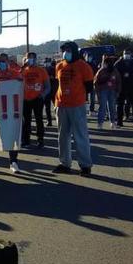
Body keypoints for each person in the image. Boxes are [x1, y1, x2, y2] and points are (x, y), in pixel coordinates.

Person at [53, 42, 94, 176]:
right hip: (61, 105)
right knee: (63, 136)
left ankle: (85, 165)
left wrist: (78, 97)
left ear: (75, 51)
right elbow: (56, 84)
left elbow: (89, 87)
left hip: (77, 105)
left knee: (80, 136)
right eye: (64, 50)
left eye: (68, 50)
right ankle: (64, 163)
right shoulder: (59, 65)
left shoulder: (83, 66)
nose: (66, 53)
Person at [21, 52, 50, 147]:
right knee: (26, 121)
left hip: (37, 99)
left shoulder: (41, 70)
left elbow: (47, 87)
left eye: (32, 58)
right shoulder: (23, 71)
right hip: (25, 99)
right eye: (28, 58)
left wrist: (42, 95)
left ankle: (40, 140)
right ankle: (26, 140)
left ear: (35, 59)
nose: (30, 59)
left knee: (39, 119)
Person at [114, 49, 133, 127]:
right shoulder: (118, 63)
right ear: (123, 54)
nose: (127, 55)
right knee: (120, 104)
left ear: (131, 54)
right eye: (125, 53)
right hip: (121, 87)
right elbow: (114, 75)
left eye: (128, 53)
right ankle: (119, 121)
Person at [94, 56, 121, 129]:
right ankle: (100, 123)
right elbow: (96, 82)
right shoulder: (101, 71)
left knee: (112, 107)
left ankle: (112, 122)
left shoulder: (115, 71)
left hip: (112, 91)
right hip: (103, 91)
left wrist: (118, 91)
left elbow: (118, 81)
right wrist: (98, 92)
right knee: (102, 107)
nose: (105, 64)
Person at [43, 57, 58, 126]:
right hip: (46, 91)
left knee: (56, 106)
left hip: (54, 90)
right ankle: (49, 121)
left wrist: (51, 77)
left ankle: (58, 119)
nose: (47, 63)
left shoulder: (54, 69)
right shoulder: (43, 70)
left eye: (48, 62)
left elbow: (56, 78)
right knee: (47, 107)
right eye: (46, 62)